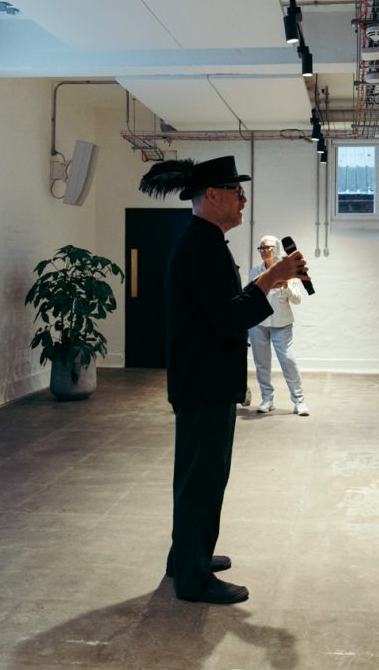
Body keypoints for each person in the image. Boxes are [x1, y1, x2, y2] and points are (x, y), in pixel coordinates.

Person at [138, 155, 306, 606]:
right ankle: (192, 578)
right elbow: (226, 319)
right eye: (236, 190)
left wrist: (268, 280)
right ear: (212, 195)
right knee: (203, 479)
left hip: (202, 381)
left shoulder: (204, 241)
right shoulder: (202, 245)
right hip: (203, 383)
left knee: (197, 476)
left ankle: (186, 558)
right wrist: (272, 278)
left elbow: (222, 309)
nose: (243, 198)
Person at [247, 235, 308, 416]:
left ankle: (299, 401)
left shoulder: (288, 270)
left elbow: (297, 299)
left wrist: (286, 285)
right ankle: (267, 399)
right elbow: (250, 296)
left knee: (287, 360)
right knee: (261, 362)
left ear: (276, 249)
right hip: (258, 323)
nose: (264, 252)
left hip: (281, 322)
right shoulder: (255, 271)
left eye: (267, 248)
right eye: (261, 248)